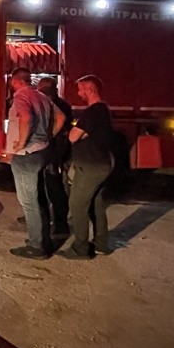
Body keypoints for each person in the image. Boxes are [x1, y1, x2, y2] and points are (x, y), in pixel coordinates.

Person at [62, 74, 115, 259]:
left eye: (81, 89)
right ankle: (101, 243)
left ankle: (80, 248)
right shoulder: (104, 110)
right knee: (96, 204)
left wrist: (78, 133)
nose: (78, 92)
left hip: (90, 167)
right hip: (102, 165)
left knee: (77, 205)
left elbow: (72, 137)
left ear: (90, 90)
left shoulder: (92, 112)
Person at [6, 68, 55, 259]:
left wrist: (21, 142)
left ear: (16, 81)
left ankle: (37, 247)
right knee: (39, 198)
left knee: (28, 202)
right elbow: (58, 118)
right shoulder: (43, 97)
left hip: (27, 154)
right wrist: (47, 137)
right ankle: (44, 240)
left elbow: (26, 118)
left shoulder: (21, 96)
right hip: (42, 151)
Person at [36, 75, 73, 240]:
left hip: (53, 152)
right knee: (49, 186)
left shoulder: (52, 106)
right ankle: (43, 219)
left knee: (54, 188)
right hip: (58, 151)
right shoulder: (64, 105)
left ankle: (60, 224)